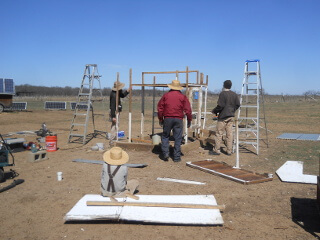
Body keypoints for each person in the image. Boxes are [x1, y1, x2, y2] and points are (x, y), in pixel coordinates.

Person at [157, 80, 192, 162]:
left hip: (167, 118)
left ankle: (166, 153)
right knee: (178, 138)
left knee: (165, 136)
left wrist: (160, 119)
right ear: (179, 88)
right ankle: (176, 157)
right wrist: (189, 120)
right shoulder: (182, 97)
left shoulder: (166, 96)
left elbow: (160, 108)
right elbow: (188, 110)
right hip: (178, 119)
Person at [211, 80, 240, 156]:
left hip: (223, 117)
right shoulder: (234, 94)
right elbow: (237, 104)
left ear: (224, 85)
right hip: (231, 116)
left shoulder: (222, 94)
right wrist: (232, 110)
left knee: (219, 133)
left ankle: (217, 150)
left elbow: (220, 106)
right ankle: (229, 151)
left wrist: (214, 111)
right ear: (231, 86)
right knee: (229, 134)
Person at [109, 81, 130, 147]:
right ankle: (112, 140)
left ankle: (116, 137)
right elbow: (112, 106)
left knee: (116, 125)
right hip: (114, 111)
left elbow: (122, 95)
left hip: (116, 110)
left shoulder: (117, 92)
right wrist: (113, 116)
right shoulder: (114, 95)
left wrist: (127, 91)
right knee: (114, 125)